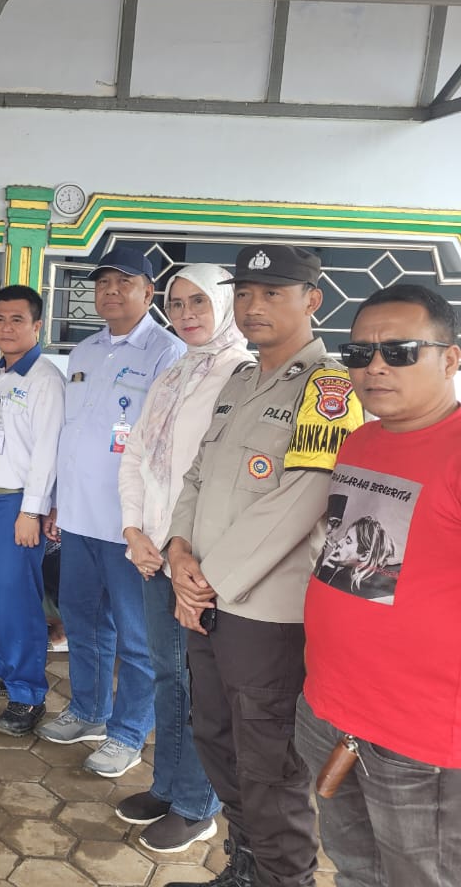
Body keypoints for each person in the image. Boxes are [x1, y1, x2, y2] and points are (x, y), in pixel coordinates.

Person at [164, 244, 364, 887]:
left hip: (264, 612)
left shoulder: (328, 387)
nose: (253, 306)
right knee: (216, 739)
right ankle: (245, 861)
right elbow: (197, 476)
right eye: (245, 292)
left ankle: (284, 876)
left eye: (272, 293)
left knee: (268, 762)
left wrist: (204, 582)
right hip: (205, 598)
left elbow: (304, 496)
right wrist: (177, 550)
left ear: (313, 300)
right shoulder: (240, 380)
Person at [295, 284, 461, 887]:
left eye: (400, 351)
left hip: (420, 738)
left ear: (450, 358)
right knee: (355, 869)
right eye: (359, 353)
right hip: (330, 710)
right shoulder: (361, 440)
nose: (375, 367)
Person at [115, 264, 250, 852]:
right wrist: (134, 529)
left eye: (199, 301)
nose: (186, 313)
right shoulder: (174, 372)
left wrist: (178, 545)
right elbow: (136, 456)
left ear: (225, 305)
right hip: (153, 554)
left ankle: (199, 804)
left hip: (200, 560)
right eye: (176, 302)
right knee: (168, 674)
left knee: (201, 684)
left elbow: (221, 479)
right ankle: (167, 787)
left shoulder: (242, 375)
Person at [37, 245, 185, 778]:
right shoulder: (84, 351)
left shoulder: (167, 353)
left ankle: (128, 732)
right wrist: (57, 501)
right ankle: (88, 711)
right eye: (103, 283)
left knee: (137, 637)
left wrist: (148, 523)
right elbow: (72, 434)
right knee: (82, 621)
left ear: (149, 292)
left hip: (131, 526)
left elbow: (165, 448)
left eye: (125, 282)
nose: (112, 292)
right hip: (78, 517)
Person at [0, 285, 64, 736]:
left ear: (37, 325)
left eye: (17, 319)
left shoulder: (45, 379)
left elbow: (48, 451)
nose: (6, 327)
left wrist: (32, 511)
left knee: (17, 600)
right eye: (0, 319)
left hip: (15, 505)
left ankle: (27, 694)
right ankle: (1, 666)